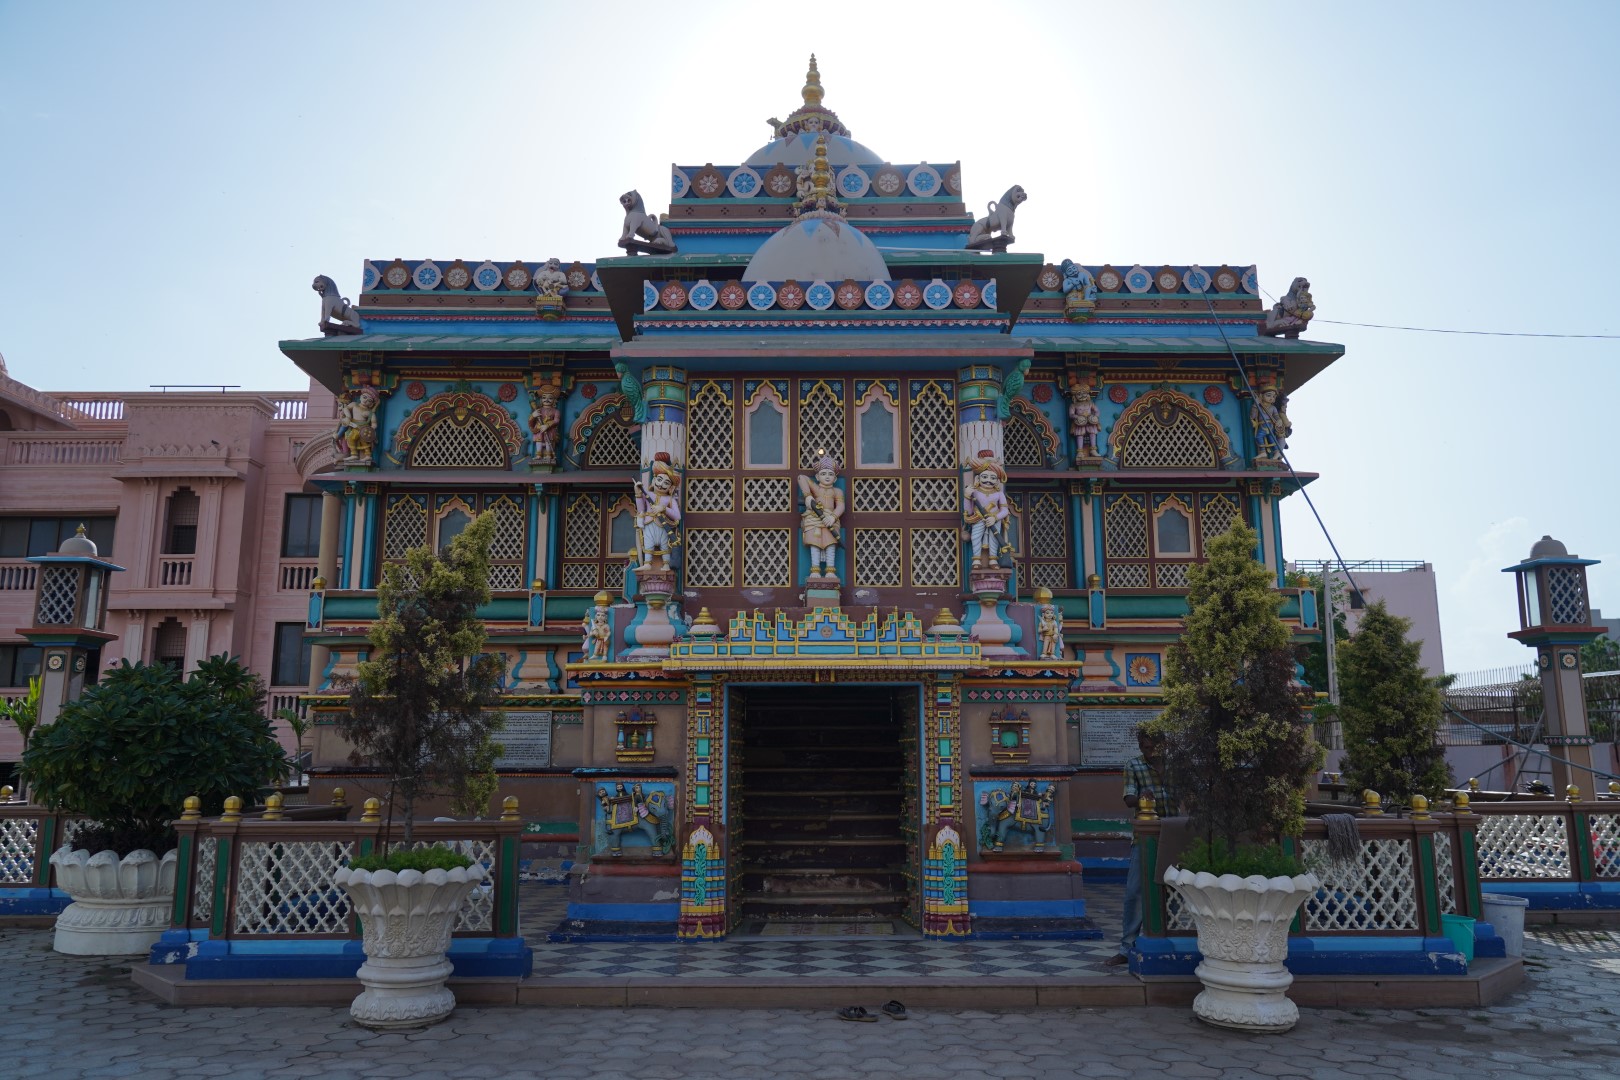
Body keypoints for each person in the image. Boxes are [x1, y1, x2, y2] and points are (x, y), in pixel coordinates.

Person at [1106, 726, 1178, 968]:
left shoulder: (1176, 766)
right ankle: (1127, 947)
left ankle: (1172, 939)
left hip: (1174, 833)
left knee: (1175, 889)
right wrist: (1143, 797)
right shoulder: (1134, 766)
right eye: (1145, 747)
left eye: (1154, 747)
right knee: (1135, 892)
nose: (1150, 752)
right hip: (1144, 838)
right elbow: (1128, 799)